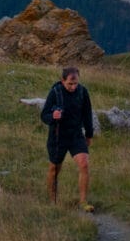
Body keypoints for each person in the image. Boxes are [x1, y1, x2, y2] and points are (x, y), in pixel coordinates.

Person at [41, 66, 95, 212]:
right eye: (70, 84)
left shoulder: (83, 92)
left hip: (76, 134)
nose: (73, 87)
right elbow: (44, 115)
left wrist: (89, 134)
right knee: (54, 169)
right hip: (58, 135)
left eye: (75, 83)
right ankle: (53, 201)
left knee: (84, 164)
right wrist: (53, 116)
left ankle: (83, 202)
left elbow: (87, 114)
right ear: (62, 80)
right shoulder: (55, 92)